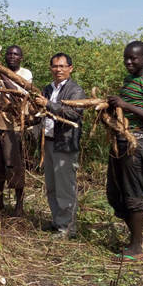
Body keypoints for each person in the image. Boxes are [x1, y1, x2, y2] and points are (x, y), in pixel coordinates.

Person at [106, 41, 143, 262]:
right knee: (115, 194)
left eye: (134, 58)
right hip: (120, 142)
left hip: (137, 144)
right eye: (126, 58)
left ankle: (136, 248)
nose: (129, 62)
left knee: (134, 195)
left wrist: (126, 106)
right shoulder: (129, 80)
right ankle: (139, 238)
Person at [35, 53, 85, 239]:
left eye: (63, 66)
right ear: (51, 68)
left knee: (65, 187)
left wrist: (48, 104)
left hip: (64, 143)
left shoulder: (75, 91)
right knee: (52, 185)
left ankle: (68, 228)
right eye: (55, 66)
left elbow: (73, 114)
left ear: (70, 68)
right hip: (48, 141)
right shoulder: (48, 88)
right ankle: (57, 221)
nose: (59, 70)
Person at [0, 45, 32, 216]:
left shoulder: (25, 74)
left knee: (14, 165)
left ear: (21, 57)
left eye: (16, 54)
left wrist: (2, 75)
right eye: (9, 54)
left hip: (14, 127)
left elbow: (18, 94)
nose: (12, 56)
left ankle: (19, 205)